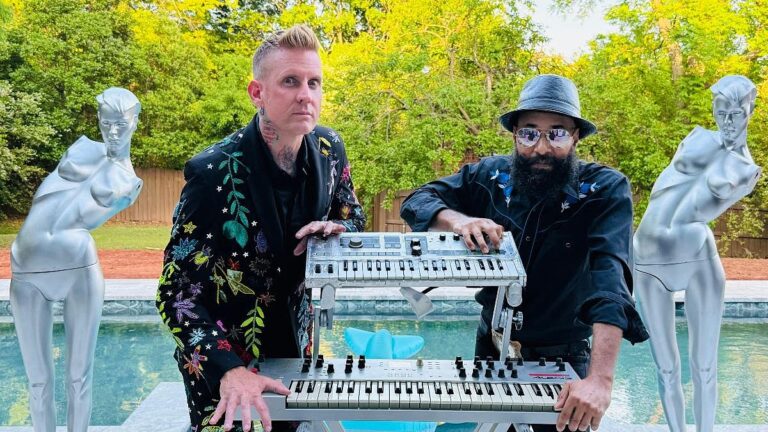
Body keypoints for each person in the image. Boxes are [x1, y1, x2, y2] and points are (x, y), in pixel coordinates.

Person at [400, 74, 648, 432]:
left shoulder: (604, 190)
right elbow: (418, 200)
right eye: (529, 133)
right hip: (491, 346)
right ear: (515, 133)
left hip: (563, 356)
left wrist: (600, 380)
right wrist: (460, 221)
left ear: (576, 136)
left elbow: (611, 278)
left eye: (557, 133)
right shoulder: (488, 176)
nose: (541, 148)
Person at [155, 24, 365, 432]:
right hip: (226, 372)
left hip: (297, 352)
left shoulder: (330, 149)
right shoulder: (210, 173)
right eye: (290, 81)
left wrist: (335, 227)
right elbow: (175, 294)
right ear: (258, 93)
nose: (306, 94)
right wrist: (229, 370)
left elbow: (351, 217)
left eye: (314, 82)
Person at [10, 87, 143, 432]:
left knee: (78, 377)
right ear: (98, 119)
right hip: (26, 269)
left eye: (121, 124)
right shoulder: (82, 149)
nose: (113, 131)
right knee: (38, 381)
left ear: (135, 122)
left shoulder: (129, 182)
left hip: (78, 270)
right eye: (107, 122)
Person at [634, 75, 761, 432]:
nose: (729, 121)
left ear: (751, 111)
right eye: (722, 112)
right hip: (647, 257)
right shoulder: (696, 138)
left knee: (704, 366)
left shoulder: (746, 170)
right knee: (666, 367)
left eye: (737, 113)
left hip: (698, 259)